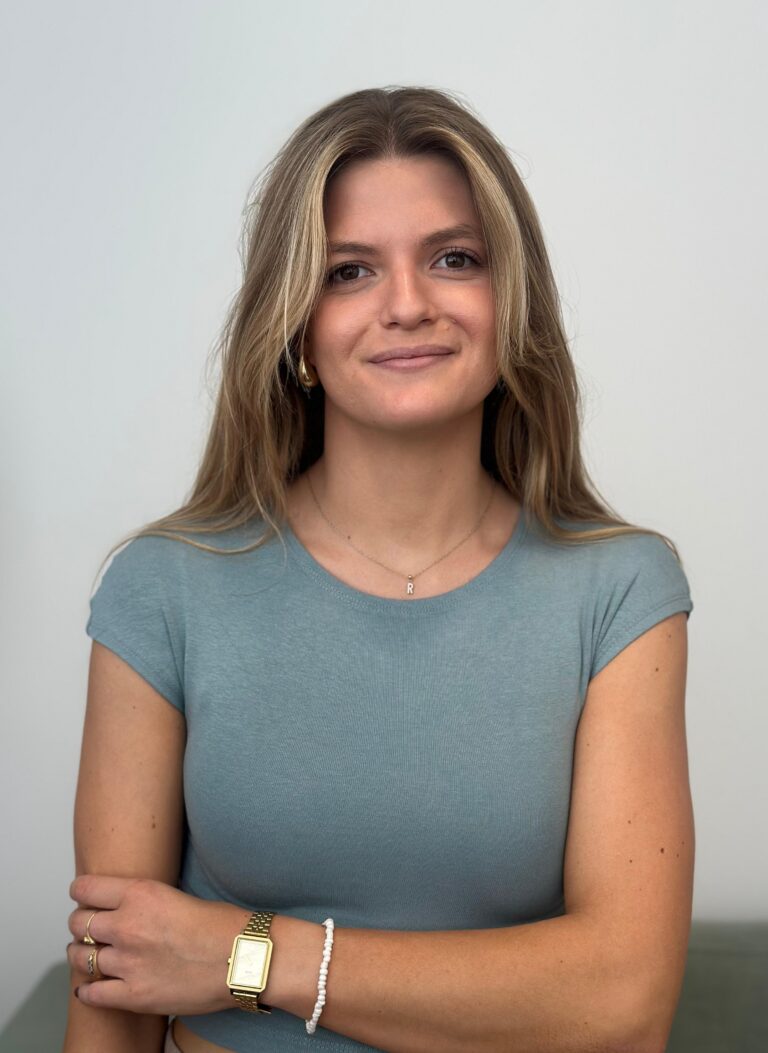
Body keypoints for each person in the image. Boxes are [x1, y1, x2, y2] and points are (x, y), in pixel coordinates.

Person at [63, 85, 695, 1053]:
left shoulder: (618, 591)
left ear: (512, 301)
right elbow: (114, 993)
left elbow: (624, 1001)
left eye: (454, 258)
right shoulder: (164, 589)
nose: (407, 304)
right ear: (297, 324)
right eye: (349, 270)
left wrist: (245, 954)